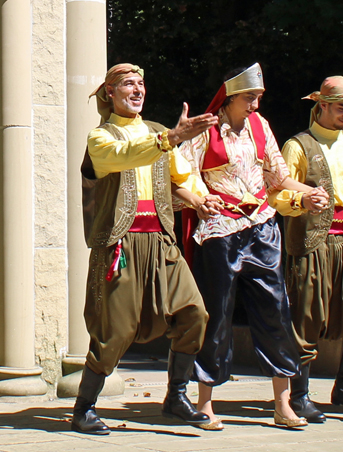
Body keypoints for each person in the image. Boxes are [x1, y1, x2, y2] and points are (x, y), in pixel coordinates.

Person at [73, 63, 221, 435]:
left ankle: (176, 396)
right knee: (116, 331)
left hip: (161, 242)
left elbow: (177, 178)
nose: (137, 90)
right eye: (127, 85)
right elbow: (125, 156)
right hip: (121, 245)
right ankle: (83, 408)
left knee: (194, 313)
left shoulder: (159, 133)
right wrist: (171, 138)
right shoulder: (101, 137)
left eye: (141, 84)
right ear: (109, 92)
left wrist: (199, 200)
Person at [179, 63, 329, 430]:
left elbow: (278, 177)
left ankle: (283, 403)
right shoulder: (205, 131)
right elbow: (182, 175)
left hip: (262, 228)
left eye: (259, 98)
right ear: (230, 97)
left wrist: (309, 194)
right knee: (217, 315)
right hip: (221, 229)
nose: (256, 106)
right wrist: (201, 202)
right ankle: (205, 402)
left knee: (276, 311)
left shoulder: (261, 128)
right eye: (250, 98)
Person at [270, 76, 343, 423]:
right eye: (340, 108)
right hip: (311, 243)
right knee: (306, 317)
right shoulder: (298, 145)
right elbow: (275, 194)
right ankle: (300, 395)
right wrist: (300, 199)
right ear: (321, 106)